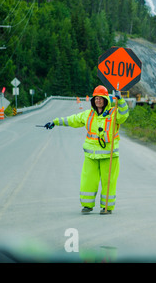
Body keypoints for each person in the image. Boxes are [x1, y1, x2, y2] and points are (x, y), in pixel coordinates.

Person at [44, 85, 129, 214]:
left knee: (109, 182)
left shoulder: (114, 113)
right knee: (88, 180)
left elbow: (124, 115)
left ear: (106, 100)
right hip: (91, 156)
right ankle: (87, 205)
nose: (98, 101)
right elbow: (72, 120)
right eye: (96, 98)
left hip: (109, 156)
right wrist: (55, 122)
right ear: (93, 100)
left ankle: (107, 207)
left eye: (101, 98)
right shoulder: (88, 114)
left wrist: (121, 100)